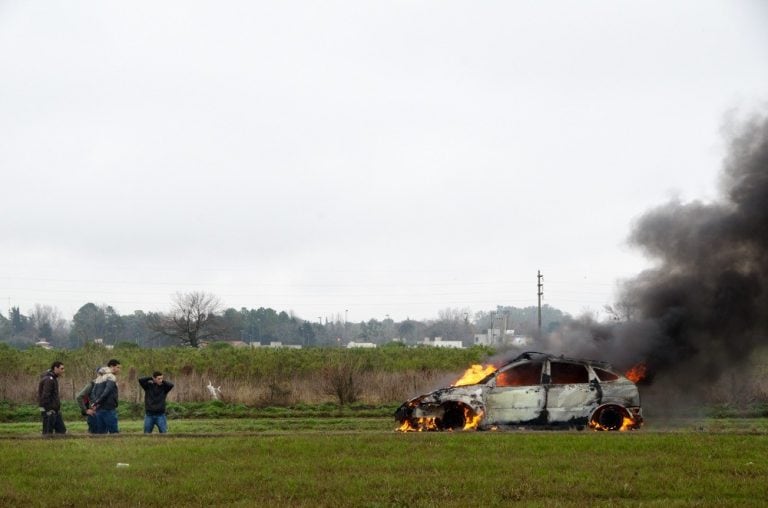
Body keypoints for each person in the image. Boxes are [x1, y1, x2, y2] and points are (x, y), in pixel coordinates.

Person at [90, 359, 121, 434]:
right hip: (109, 409)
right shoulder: (111, 377)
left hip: (99, 409)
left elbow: (93, 392)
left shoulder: (99, 377)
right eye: (118, 367)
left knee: (101, 433)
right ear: (111, 366)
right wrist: (97, 402)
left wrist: (95, 403)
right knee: (114, 432)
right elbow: (107, 391)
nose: (119, 370)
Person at [38, 361, 67, 435]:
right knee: (48, 433)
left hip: (55, 410)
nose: (63, 370)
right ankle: (46, 445)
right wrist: (48, 410)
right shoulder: (49, 379)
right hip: (49, 410)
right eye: (61, 368)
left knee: (61, 431)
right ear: (55, 368)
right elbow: (45, 396)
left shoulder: (53, 378)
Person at [75, 368, 100, 433]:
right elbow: (79, 397)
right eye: (100, 373)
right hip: (94, 415)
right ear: (97, 374)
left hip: (103, 414)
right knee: (93, 436)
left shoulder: (108, 384)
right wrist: (85, 410)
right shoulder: (92, 384)